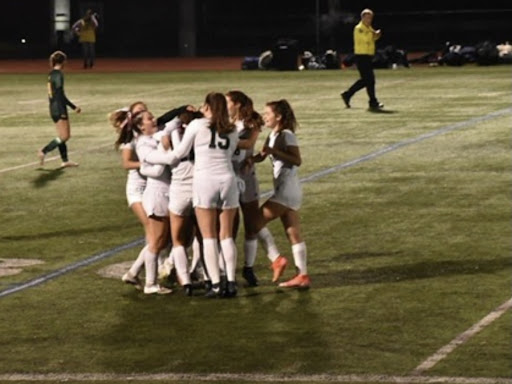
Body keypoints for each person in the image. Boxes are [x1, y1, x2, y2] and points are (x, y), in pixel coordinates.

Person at [144, 92, 240, 298]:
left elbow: (179, 154)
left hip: (206, 180)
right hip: (228, 180)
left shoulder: (198, 125)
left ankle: (215, 284)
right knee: (226, 235)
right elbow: (231, 153)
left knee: (209, 237)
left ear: (208, 107)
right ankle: (230, 282)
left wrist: (153, 157)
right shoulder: (233, 129)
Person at [244, 99, 310, 288]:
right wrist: (251, 159)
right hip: (288, 189)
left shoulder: (286, 135)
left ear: (278, 117)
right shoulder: (273, 134)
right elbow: (263, 155)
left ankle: (276, 258)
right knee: (293, 233)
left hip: (286, 190)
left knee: (254, 222)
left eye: (267, 114)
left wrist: (274, 151)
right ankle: (302, 276)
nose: (264, 117)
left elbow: (297, 160)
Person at [134, 109, 173, 295]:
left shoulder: (154, 137)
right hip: (157, 194)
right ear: (141, 126)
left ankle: (140, 275)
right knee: (156, 241)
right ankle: (150, 284)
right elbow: (157, 171)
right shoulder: (142, 143)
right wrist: (165, 148)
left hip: (166, 192)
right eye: (149, 118)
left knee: (164, 240)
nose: (154, 119)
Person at [38, 51, 81, 168]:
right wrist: (73, 107)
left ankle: (65, 160)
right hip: (59, 107)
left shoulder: (51, 74)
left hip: (53, 107)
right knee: (65, 136)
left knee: (61, 136)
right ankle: (44, 151)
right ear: (63, 62)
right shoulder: (58, 74)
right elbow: (60, 95)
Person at [341, 8, 384, 111]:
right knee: (369, 80)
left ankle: (348, 94)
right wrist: (373, 34)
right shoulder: (359, 28)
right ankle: (372, 102)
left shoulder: (368, 28)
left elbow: (372, 39)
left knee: (367, 80)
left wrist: (376, 36)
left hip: (368, 56)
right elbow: (365, 40)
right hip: (361, 56)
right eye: (368, 18)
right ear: (363, 17)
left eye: (371, 18)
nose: (369, 20)